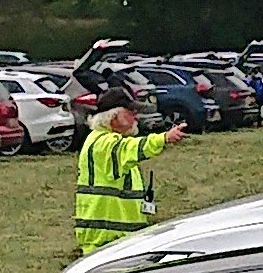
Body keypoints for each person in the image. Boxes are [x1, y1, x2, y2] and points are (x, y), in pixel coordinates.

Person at [75, 87, 188, 255]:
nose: (135, 117)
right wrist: (163, 138)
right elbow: (133, 148)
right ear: (113, 117)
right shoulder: (104, 143)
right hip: (107, 240)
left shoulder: (107, 141)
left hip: (118, 238)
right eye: (130, 113)